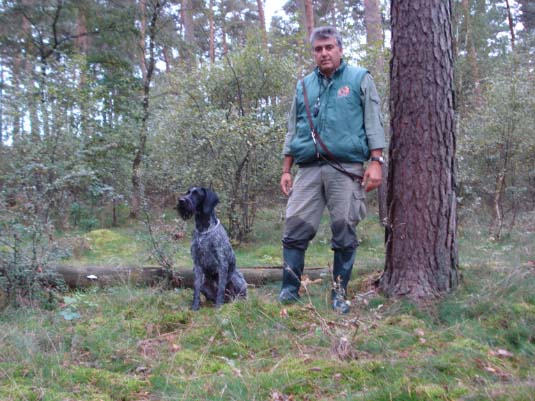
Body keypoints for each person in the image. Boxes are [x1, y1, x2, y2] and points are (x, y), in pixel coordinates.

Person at [279, 26, 386, 313]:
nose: (324, 53)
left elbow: (373, 122)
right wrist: (286, 169)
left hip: (346, 168)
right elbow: (293, 129)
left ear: (340, 49)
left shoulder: (359, 78)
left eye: (329, 47)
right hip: (308, 169)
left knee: (344, 230)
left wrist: (376, 162)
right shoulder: (303, 86)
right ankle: (289, 291)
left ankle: (339, 294)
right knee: (294, 228)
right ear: (313, 53)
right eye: (318, 49)